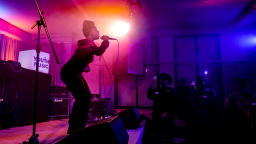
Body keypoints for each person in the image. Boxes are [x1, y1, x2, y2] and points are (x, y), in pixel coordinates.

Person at [61, 20, 109, 134]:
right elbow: (98, 51)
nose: (98, 32)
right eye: (96, 29)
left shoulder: (86, 44)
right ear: (90, 32)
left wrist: (85, 66)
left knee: (86, 97)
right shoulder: (86, 42)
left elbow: (81, 57)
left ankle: (79, 125)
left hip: (74, 72)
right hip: (70, 72)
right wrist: (106, 41)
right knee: (82, 98)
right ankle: (74, 127)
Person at [147, 73, 177, 143]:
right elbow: (149, 96)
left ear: (167, 80)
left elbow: (174, 103)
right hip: (157, 117)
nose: (161, 80)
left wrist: (167, 111)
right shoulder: (156, 90)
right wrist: (151, 85)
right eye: (160, 79)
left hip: (168, 117)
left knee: (168, 137)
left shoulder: (171, 90)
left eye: (163, 79)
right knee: (157, 137)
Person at [188, 76, 217, 144]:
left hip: (207, 116)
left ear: (205, 82)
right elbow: (190, 103)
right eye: (197, 82)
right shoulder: (195, 92)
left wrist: (197, 105)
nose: (198, 83)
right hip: (197, 116)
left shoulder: (210, 91)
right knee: (196, 134)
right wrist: (190, 92)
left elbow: (209, 103)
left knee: (206, 134)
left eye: (200, 82)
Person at [223, 76, 251, 144]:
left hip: (241, 122)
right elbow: (225, 107)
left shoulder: (246, 95)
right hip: (229, 121)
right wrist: (229, 98)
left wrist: (236, 98)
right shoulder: (229, 93)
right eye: (232, 82)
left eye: (235, 82)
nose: (233, 83)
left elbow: (244, 110)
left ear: (241, 83)